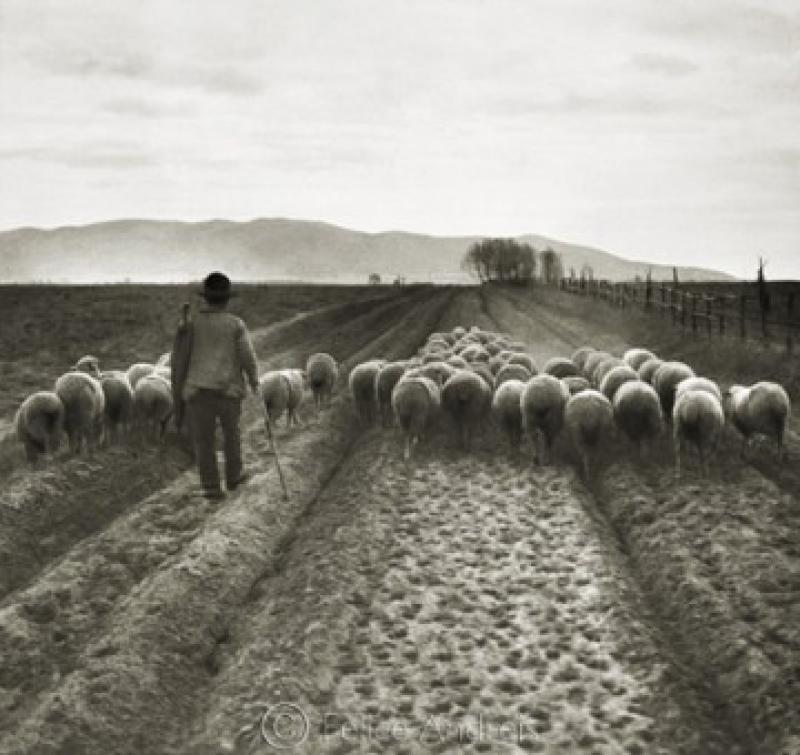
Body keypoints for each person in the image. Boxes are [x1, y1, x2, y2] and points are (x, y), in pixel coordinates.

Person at [172, 271, 259, 500]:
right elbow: (247, 356)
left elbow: (179, 358)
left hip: (197, 392)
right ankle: (234, 476)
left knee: (204, 440)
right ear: (227, 299)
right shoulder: (235, 324)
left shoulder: (191, 324)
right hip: (228, 391)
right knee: (232, 434)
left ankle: (211, 486)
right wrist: (254, 380)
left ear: (205, 298)